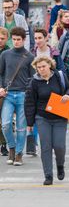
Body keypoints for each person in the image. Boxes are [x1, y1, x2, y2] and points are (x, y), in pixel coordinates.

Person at [25, 56, 69, 185]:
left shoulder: (59, 76)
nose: (41, 69)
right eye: (38, 67)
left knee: (59, 146)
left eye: (43, 66)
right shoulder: (34, 82)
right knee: (45, 147)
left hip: (59, 117)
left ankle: (60, 165)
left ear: (49, 66)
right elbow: (29, 102)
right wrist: (29, 123)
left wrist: (68, 95)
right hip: (42, 118)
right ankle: (48, 175)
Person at [0, 27, 35, 166]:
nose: (16, 42)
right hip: (8, 94)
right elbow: (0, 73)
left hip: (23, 95)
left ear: (24, 40)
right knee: (6, 124)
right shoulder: (5, 55)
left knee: (21, 127)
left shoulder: (29, 56)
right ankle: (12, 148)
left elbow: (32, 78)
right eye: (14, 39)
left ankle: (19, 153)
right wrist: (1, 87)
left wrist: (28, 92)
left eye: (18, 40)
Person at [0, 27, 9, 156]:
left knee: (3, 120)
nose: (0, 41)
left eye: (2, 39)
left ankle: (3, 144)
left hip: (4, 89)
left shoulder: (9, 52)